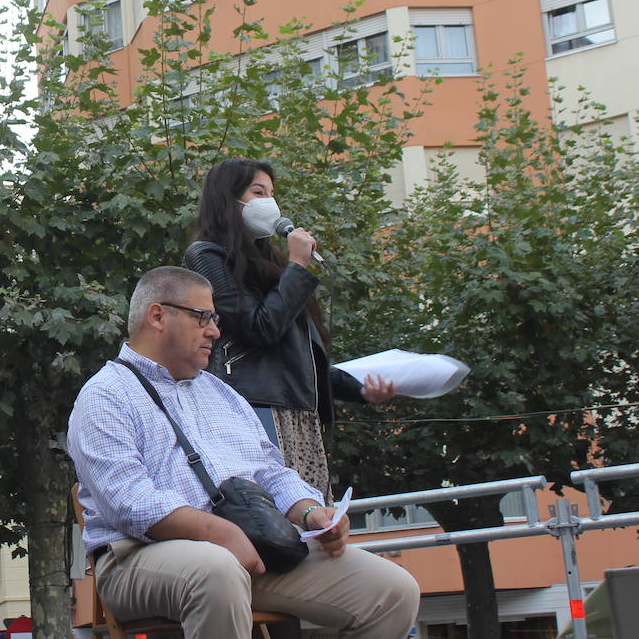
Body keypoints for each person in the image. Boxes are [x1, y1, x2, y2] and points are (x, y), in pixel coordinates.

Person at [68, 266, 419, 638]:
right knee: (216, 569)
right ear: (157, 316)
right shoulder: (105, 395)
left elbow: (271, 473)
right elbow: (128, 501)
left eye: (215, 319)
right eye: (203, 317)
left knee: (392, 591)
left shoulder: (222, 393)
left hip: (249, 551)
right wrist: (218, 532)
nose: (215, 331)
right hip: (136, 559)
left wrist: (312, 513)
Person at [181, 158, 395, 500]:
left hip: (298, 413)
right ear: (228, 199)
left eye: (272, 193)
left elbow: (298, 358)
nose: (269, 201)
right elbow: (259, 328)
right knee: (277, 519)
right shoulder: (206, 256)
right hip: (256, 408)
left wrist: (360, 390)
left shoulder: (271, 266)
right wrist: (297, 266)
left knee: (310, 521)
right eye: (257, 192)